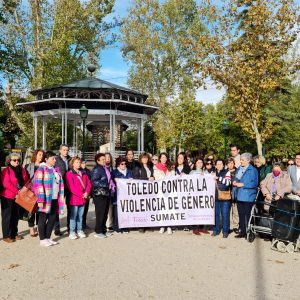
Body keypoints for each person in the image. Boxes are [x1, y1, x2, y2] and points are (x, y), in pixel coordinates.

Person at [34, 151, 64, 246]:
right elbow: (38, 185)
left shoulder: (56, 169)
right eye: (53, 158)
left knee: (52, 219)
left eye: (55, 158)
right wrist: (40, 199)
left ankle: (47, 237)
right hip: (45, 199)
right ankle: (42, 239)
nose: (55, 160)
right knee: (43, 219)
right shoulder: (41, 169)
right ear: (46, 159)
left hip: (55, 198)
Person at [1, 153, 29, 243]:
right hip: (8, 196)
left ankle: (14, 233)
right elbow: (6, 184)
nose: (17, 162)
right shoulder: (6, 170)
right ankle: (6, 235)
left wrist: (24, 191)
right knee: (7, 216)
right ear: (9, 161)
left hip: (19, 196)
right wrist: (17, 192)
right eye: (14, 160)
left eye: (18, 160)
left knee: (16, 215)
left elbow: (26, 181)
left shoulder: (22, 170)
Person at [233, 153, 258, 239]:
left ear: (248, 160)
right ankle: (242, 231)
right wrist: (235, 181)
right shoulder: (240, 168)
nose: (241, 161)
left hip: (248, 196)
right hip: (239, 195)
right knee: (241, 214)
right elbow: (237, 177)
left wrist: (243, 184)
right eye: (240, 159)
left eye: (242, 160)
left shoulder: (253, 170)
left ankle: (250, 232)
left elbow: (254, 183)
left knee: (248, 215)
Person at [66, 156, 92, 239]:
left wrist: (87, 192)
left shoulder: (83, 173)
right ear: (72, 164)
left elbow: (89, 183)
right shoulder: (69, 174)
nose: (79, 164)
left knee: (80, 215)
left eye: (79, 162)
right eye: (76, 162)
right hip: (74, 199)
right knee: (73, 216)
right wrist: (82, 194)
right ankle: (72, 231)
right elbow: (71, 188)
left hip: (83, 198)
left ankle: (79, 230)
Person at [91, 153, 115, 238]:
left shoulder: (105, 168)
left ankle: (103, 230)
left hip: (106, 193)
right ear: (98, 161)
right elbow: (94, 181)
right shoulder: (97, 169)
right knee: (100, 213)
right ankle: (98, 231)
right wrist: (105, 185)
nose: (105, 160)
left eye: (105, 159)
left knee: (105, 213)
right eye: (103, 159)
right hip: (99, 194)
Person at [25, 149, 45, 237]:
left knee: (40, 210)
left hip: (41, 191)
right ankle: (31, 228)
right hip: (31, 191)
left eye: (42, 155)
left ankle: (38, 226)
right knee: (31, 210)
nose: (41, 156)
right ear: (35, 155)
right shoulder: (28, 166)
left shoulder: (44, 166)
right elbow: (25, 179)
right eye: (39, 154)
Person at [133, 152, 154, 233]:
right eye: (143, 158)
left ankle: (147, 224)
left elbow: (152, 176)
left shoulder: (150, 167)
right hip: (141, 191)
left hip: (149, 190)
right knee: (141, 208)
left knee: (148, 207)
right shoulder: (137, 167)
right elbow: (136, 178)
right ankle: (141, 226)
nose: (145, 159)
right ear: (140, 159)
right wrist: (146, 180)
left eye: (146, 158)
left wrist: (153, 177)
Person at [154, 152, 175, 235]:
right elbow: (157, 178)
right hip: (160, 191)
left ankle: (169, 226)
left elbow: (173, 178)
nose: (164, 159)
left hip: (170, 190)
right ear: (160, 158)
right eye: (162, 157)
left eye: (165, 157)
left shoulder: (171, 167)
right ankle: (162, 226)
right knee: (162, 208)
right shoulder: (156, 167)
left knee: (169, 208)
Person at [112, 156, 133, 233]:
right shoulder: (114, 172)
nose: (124, 165)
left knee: (126, 211)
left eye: (125, 164)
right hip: (118, 195)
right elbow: (111, 183)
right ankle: (117, 228)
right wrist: (114, 181)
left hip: (127, 196)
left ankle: (125, 227)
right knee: (117, 212)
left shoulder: (130, 171)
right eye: (122, 164)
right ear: (118, 164)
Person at [212, 159, 231, 238]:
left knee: (225, 214)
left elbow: (228, 183)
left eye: (221, 164)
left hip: (224, 197)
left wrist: (218, 178)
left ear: (223, 165)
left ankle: (225, 231)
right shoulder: (212, 173)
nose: (219, 165)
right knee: (215, 215)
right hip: (215, 197)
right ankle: (216, 230)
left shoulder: (227, 172)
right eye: (217, 164)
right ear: (215, 165)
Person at [54, 144, 71, 236]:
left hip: (69, 186)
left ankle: (69, 226)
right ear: (60, 150)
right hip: (59, 186)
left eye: (67, 150)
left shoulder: (71, 159)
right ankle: (57, 227)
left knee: (70, 206)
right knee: (57, 207)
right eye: (64, 150)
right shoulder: (55, 160)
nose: (66, 152)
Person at [226, 157, 239, 234]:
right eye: (229, 163)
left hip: (235, 193)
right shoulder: (225, 172)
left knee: (235, 210)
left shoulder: (238, 172)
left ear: (234, 164)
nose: (230, 165)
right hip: (226, 193)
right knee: (228, 211)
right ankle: (229, 226)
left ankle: (235, 226)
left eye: (232, 163)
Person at [80, 159, 92, 230]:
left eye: (84, 163)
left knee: (85, 209)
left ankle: (84, 223)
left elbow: (90, 182)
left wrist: (89, 193)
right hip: (80, 193)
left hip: (87, 193)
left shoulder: (88, 171)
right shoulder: (78, 171)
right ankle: (79, 225)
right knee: (79, 210)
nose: (83, 164)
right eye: (82, 163)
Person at [105, 152, 114, 232]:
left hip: (111, 190)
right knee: (104, 208)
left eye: (109, 157)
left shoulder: (112, 168)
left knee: (110, 208)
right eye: (106, 157)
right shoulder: (102, 168)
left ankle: (109, 224)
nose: (108, 159)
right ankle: (104, 224)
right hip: (104, 190)